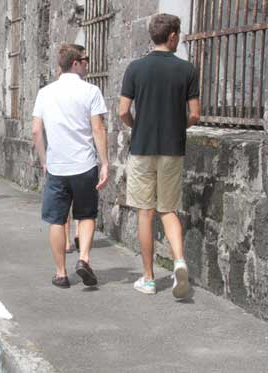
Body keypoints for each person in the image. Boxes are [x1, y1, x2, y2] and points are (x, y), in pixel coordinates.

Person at [119, 14, 200, 298]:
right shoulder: (187, 70)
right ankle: (179, 261)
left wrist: (135, 125)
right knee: (168, 210)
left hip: (142, 148)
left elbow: (122, 111)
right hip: (172, 149)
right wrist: (179, 125)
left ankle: (149, 278)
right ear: (173, 36)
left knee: (145, 212)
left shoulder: (135, 69)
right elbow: (195, 114)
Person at [32, 43, 109, 289]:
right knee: (86, 214)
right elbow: (98, 128)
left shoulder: (45, 93)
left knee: (56, 219)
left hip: (57, 166)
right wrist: (105, 162)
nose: (87, 64)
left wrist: (44, 161)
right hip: (84, 164)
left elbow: (36, 131)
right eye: (84, 60)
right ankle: (84, 258)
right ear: (75, 63)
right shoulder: (91, 91)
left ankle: (61, 273)